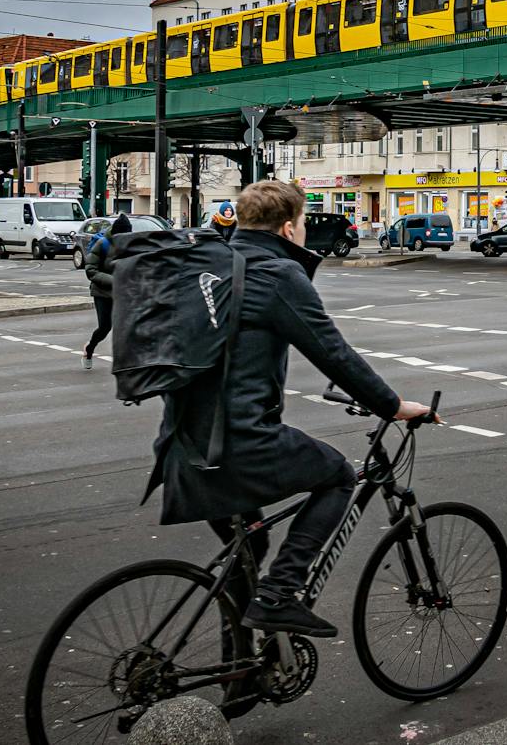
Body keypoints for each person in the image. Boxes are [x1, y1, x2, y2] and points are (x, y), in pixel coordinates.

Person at [143, 180, 433, 639]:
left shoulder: (207, 265)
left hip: (183, 441)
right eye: (300, 224)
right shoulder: (277, 273)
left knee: (249, 545)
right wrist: (393, 405)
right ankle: (279, 595)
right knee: (338, 475)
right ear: (288, 228)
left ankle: (241, 672)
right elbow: (333, 352)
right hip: (239, 440)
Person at [83, 214, 132, 370]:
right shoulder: (102, 244)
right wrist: (114, 280)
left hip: (122, 293)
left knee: (124, 328)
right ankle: (89, 349)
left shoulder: (129, 245)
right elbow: (91, 270)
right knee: (105, 328)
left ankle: (123, 361)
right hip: (102, 293)